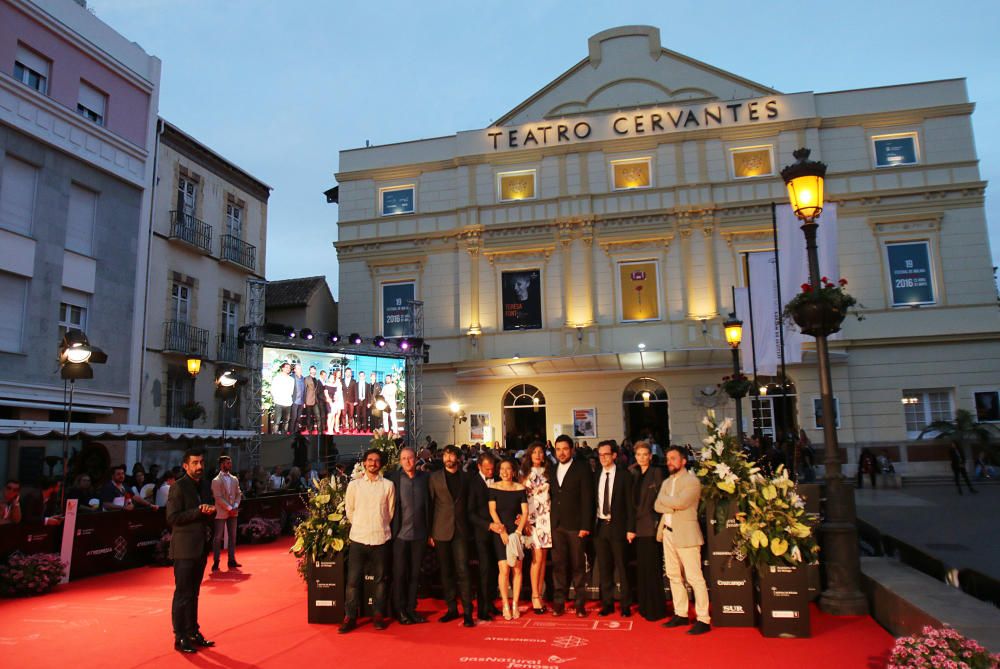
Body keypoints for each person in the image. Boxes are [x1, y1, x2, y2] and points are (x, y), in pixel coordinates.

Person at [655, 445, 711, 635]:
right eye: (668, 458)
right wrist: (670, 505)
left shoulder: (692, 481)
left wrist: (667, 503)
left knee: (694, 578)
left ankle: (703, 618)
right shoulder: (666, 482)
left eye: (673, 458)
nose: (669, 462)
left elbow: (679, 503)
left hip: (687, 535)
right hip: (668, 534)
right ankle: (681, 613)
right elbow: (656, 505)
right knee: (673, 575)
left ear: (683, 461)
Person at [167, 448, 217, 654]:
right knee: (183, 594)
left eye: (202, 463)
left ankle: (193, 631)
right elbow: (172, 518)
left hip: (201, 546)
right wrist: (198, 512)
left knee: (194, 593)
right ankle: (179, 636)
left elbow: (210, 507)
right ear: (186, 466)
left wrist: (211, 511)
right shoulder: (178, 487)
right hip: (184, 548)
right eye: (195, 463)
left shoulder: (205, 485)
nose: (199, 467)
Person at [340, 448, 395, 633]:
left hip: (381, 538)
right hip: (358, 538)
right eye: (370, 460)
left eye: (376, 460)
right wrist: (362, 525)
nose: (373, 463)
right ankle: (350, 616)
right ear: (364, 463)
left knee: (380, 581)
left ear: (381, 464)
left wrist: (379, 525)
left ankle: (378, 615)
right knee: (353, 581)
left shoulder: (388, 485)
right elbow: (350, 510)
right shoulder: (354, 486)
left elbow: (390, 512)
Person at [428, 444, 475, 627]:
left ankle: (468, 611)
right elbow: (431, 505)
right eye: (446, 455)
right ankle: (451, 609)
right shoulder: (434, 478)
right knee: (446, 572)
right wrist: (430, 532)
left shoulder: (467, 478)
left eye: (451, 455)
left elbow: (470, 503)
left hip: (461, 531)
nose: (448, 458)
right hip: (440, 530)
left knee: (463, 571)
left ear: (458, 458)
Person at [549, 434, 595, 618]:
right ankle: (559, 603)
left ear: (572, 450)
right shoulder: (552, 469)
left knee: (578, 566)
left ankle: (579, 604)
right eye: (558, 449)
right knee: (559, 566)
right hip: (557, 525)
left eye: (565, 449)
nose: (561, 453)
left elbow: (588, 499)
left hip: (576, 526)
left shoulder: (582, 468)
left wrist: (585, 525)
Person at [388, 447, 429, 625]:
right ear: (400, 460)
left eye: (410, 458)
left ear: (416, 459)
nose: (407, 461)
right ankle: (400, 610)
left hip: (420, 535)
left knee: (415, 575)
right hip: (400, 536)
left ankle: (411, 609)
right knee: (400, 574)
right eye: (403, 458)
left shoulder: (425, 479)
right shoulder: (393, 480)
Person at [593, 440, 635, 618]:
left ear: (614, 455)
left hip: (619, 527)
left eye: (606, 454)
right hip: (600, 527)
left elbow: (630, 505)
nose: (603, 458)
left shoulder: (625, 475)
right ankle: (607, 604)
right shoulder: (596, 475)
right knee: (604, 568)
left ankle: (625, 605)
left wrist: (631, 529)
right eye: (600, 455)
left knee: (622, 568)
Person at [631, 441, 667, 621]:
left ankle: (656, 609)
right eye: (639, 455)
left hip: (651, 527)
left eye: (645, 454)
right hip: (637, 528)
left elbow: (660, 498)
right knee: (643, 569)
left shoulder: (656, 472)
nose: (642, 458)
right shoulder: (634, 473)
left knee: (652, 569)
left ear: (650, 457)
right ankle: (644, 606)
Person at [488, 459, 528, 620]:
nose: (505, 472)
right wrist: (502, 530)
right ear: (499, 472)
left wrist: (518, 532)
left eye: (508, 469)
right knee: (504, 569)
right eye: (502, 469)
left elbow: (525, 513)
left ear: (513, 471)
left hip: (516, 533)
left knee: (517, 569)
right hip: (500, 532)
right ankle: (505, 604)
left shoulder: (520, 488)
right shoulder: (493, 488)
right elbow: (492, 510)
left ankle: (515, 604)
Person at [467, 450, 501, 620]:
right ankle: (482, 609)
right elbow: (470, 513)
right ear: (479, 466)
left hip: (499, 535)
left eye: (492, 469)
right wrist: (488, 525)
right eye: (487, 469)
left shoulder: (498, 480)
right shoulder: (473, 483)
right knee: (484, 572)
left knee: (495, 571)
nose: (490, 472)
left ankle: (491, 604)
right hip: (482, 535)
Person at [519, 442, 553, 614]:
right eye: (535, 452)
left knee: (543, 559)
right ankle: (534, 596)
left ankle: (539, 593)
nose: (538, 455)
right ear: (530, 455)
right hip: (533, 520)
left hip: (548, 519)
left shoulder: (549, 472)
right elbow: (521, 499)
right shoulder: (524, 474)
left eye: (541, 452)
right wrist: (524, 522)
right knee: (536, 558)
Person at [211, 455, 242, 572]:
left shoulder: (234, 479)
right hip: (221, 511)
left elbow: (239, 493)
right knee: (218, 537)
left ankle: (232, 560)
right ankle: (216, 561)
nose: (230, 464)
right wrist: (230, 507)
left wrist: (235, 506)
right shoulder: (216, 480)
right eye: (228, 463)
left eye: (230, 462)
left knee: (233, 536)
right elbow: (218, 497)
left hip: (233, 510)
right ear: (222, 464)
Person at [271, 362, 293, 434]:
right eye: (286, 367)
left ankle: (284, 435)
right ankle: (274, 435)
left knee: (286, 421)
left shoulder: (291, 379)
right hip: (279, 402)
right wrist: (275, 398)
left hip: (288, 403)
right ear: (282, 368)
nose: (288, 369)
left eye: (289, 368)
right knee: (277, 421)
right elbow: (273, 389)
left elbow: (292, 391)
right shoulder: (277, 377)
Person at [303, 366, 324, 434]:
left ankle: (320, 431)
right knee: (309, 417)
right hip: (308, 400)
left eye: (314, 370)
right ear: (310, 371)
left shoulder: (316, 380)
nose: (313, 371)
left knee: (318, 416)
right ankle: (310, 430)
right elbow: (304, 390)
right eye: (312, 370)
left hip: (316, 401)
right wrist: (304, 401)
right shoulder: (306, 378)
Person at [290, 363, 306, 435]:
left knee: (298, 418)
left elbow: (304, 390)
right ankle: (291, 432)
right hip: (294, 401)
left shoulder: (303, 378)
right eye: (298, 368)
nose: (300, 370)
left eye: (301, 368)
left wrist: (304, 402)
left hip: (301, 401)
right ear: (295, 370)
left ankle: (296, 431)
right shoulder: (291, 377)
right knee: (293, 417)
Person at [342, 367, 358, 433]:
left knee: (351, 415)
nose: (348, 373)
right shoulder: (341, 380)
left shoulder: (354, 381)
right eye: (347, 372)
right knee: (343, 415)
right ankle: (344, 428)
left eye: (350, 372)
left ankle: (351, 428)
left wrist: (356, 401)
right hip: (343, 400)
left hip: (351, 401)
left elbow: (356, 391)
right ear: (345, 373)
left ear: (351, 373)